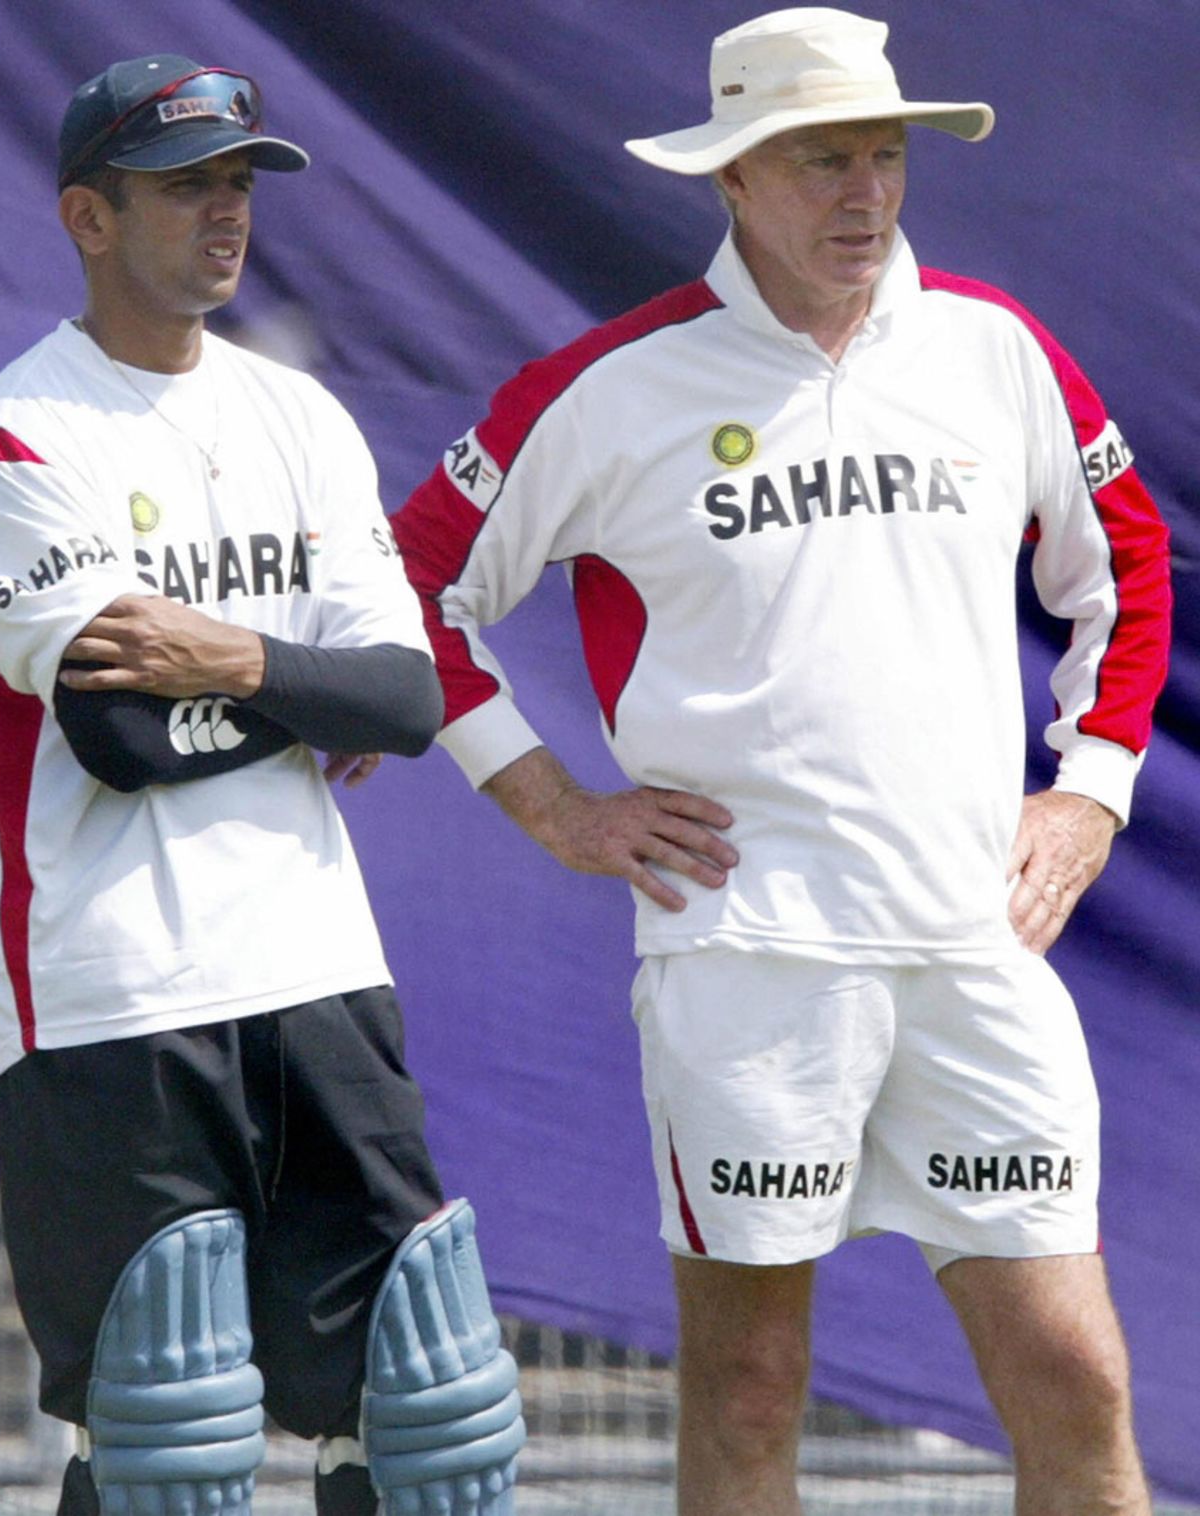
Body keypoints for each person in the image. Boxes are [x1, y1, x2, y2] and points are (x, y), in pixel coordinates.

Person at [391, 9, 1172, 1515]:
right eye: (823, 161)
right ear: (734, 178)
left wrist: (1092, 788)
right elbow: (411, 580)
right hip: (746, 954)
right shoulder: (615, 386)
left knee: (1075, 1375)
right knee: (751, 1391)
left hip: (974, 944)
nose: (864, 194)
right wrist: (542, 796)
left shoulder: (995, 348)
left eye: (884, 156)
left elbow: (1125, 564)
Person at [0, 55, 524, 1516]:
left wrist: (220, 658)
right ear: (87, 213)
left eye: (238, 182)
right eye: (186, 184)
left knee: (431, 1421)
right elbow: (119, 745)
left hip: (315, 967)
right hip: (110, 997)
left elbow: (404, 696)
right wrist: (297, 679)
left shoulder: (300, 418)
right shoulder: (21, 442)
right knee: (170, 1446)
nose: (227, 213)